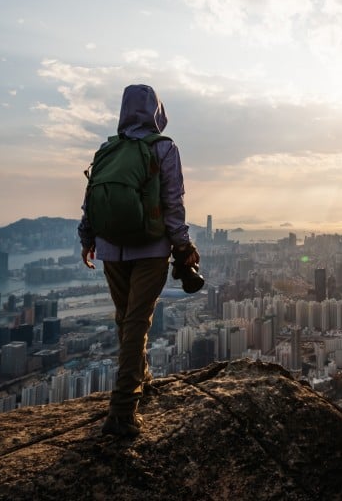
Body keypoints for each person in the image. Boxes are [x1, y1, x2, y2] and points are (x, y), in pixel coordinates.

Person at [78, 84, 200, 437]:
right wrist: (183, 246)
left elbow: (90, 199)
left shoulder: (107, 149)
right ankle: (122, 411)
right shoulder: (164, 148)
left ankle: (141, 377)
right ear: (157, 113)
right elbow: (172, 203)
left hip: (110, 248)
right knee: (137, 321)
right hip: (150, 248)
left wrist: (88, 239)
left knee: (125, 318)